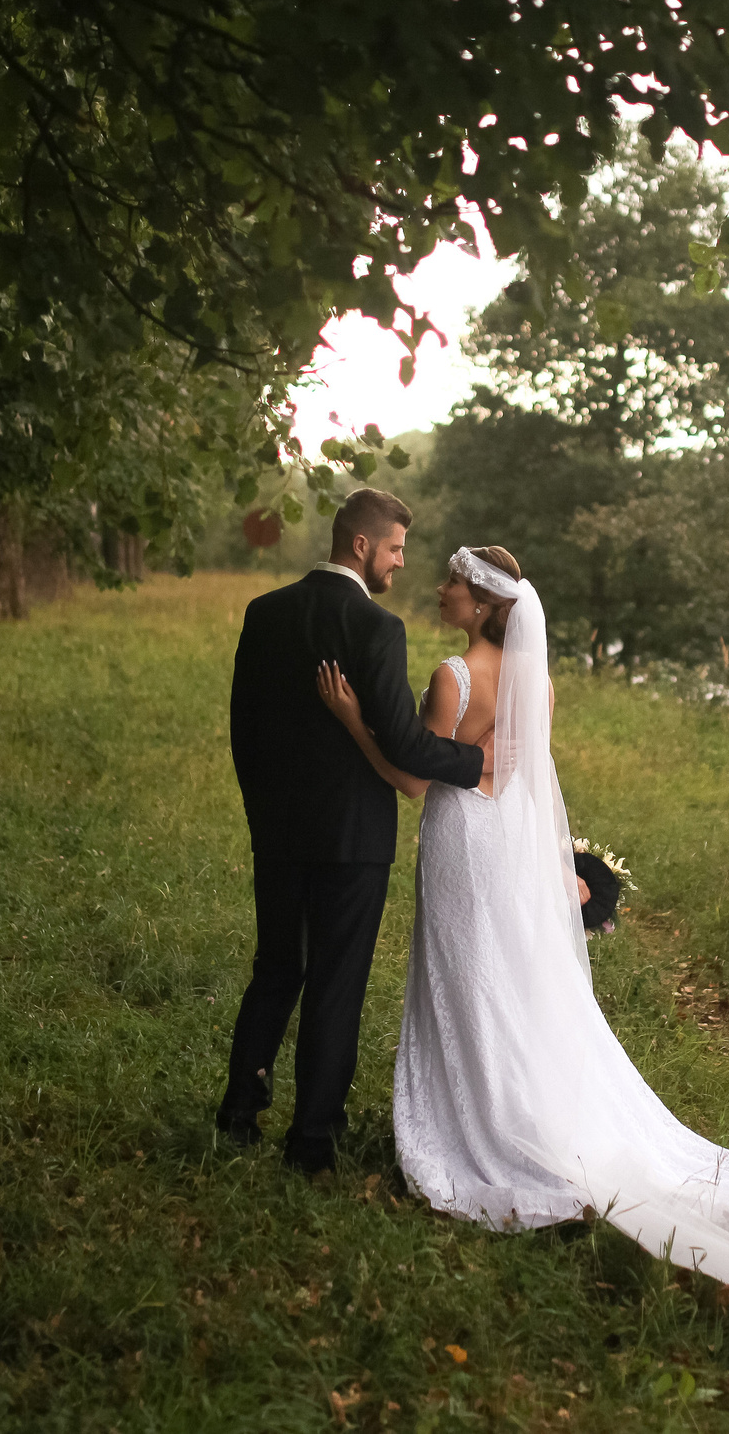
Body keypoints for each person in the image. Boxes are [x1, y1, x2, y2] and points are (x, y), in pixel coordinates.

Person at [316, 545, 729, 1349]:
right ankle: (519, 1103)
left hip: (460, 842)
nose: (443, 590)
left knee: (464, 980)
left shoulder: (454, 677)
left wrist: (352, 718)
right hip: (506, 845)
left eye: (455, 582)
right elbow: (523, 780)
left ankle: (481, 1123)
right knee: (505, 981)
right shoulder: (538, 681)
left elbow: (417, 780)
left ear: (484, 603)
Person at [219, 489, 486, 1174]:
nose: (400, 563)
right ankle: (312, 1140)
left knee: (276, 968)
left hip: (277, 832)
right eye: (395, 548)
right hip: (353, 840)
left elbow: (244, 731)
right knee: (336, 984)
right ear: (362, 545)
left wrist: (262, 814)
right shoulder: (376, 628)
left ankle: (238, 1116)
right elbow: (405, 744)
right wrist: (479, 761)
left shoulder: (265, 612)